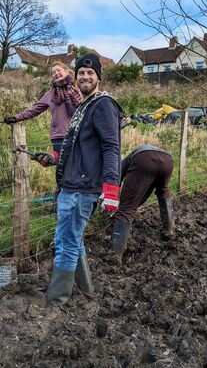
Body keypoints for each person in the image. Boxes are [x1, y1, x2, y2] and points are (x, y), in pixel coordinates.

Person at [34, 53, 122, 305]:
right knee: (72, 238)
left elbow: (111, 147)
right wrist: (53, 156)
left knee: (65, 242)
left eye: (90, 73)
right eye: (81, 73)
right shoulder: (83, 107)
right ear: (76, 77)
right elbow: (76, 146)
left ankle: (57, 301)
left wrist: (111, 189)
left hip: (83, 189)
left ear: (98, 78)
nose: (85, 77)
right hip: (72, 185)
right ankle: (86, 291)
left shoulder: (103, 105)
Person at [109, 145, 174, 264]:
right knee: (163, 190)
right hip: (168, 161)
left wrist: (111, 201)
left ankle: (115, 254)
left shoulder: (124, 164)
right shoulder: (137, 155)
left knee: (126, 208)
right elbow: (142, 192)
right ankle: (169, 230)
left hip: (144, 160)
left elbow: (115, 179)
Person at [2, 62, 82, 153]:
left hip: (79, 134)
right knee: (63, 166)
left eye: (58, 70)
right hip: (59, 137)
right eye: (53, 72)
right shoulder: (50, 94)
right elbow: (34, 109)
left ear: (67, 72)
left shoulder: (78, 90)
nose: (56, 73)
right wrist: (16, 118)